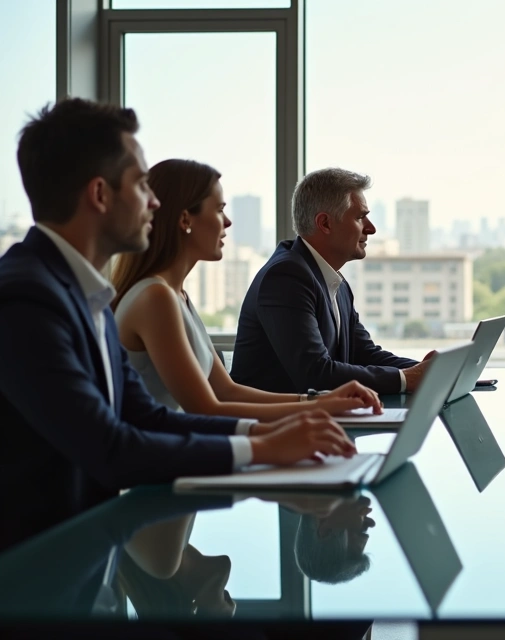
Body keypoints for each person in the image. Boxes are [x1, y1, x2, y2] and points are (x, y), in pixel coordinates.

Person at [0, 99, 356, 551]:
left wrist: (270, 433)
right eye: (141, 184)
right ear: (100, 194)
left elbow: (147, 417)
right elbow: (111, 448)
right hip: (36, 583)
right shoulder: (26, 298)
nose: (153, 202)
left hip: (85, 561)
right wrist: (264, 449)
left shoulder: (85, 293)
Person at [109, 159, 383, 421]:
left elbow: (227, 391)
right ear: (185, 220)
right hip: (166, 461)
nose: (228, 222)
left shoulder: (176, 296)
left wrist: (320, 402)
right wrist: (312, 412)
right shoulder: (156, 298)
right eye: (218, 210)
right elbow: (208, 409)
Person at [231, 168, 431, 395]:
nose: (371, 228)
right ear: (325, 223)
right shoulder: (286, 277)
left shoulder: (333, 280)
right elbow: (316, 373)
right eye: (359, 217)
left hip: (316, 420)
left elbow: (362, 353)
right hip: (271, 426)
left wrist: (426, 370)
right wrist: (407, 378)